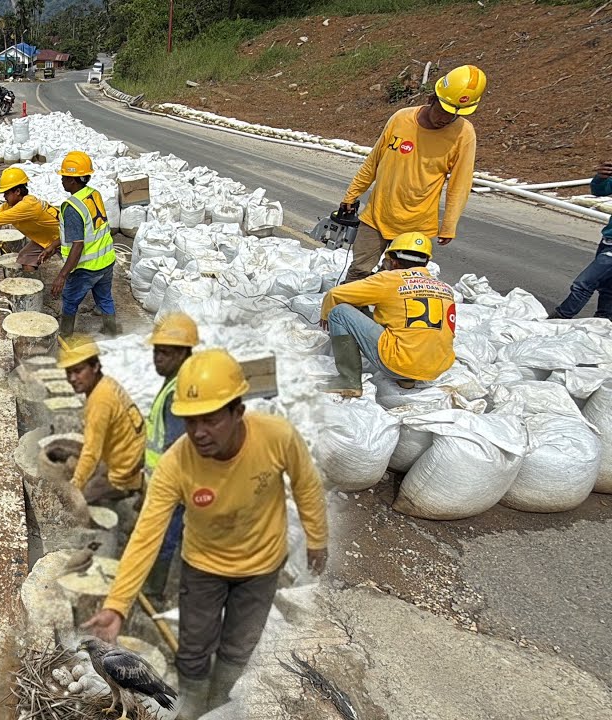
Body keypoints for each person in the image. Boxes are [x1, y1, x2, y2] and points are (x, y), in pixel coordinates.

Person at [81, 349, 329, 719]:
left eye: (210, 420)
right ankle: (193, 703)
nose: (198, 433)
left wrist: (317, 538)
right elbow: (147, 534)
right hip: (203, 567)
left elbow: (306, 484)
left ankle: (220, 700)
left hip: (261, 567)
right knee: (194, 647)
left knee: (239, 645)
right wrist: (117, 605)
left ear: (237, 411)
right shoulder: (176, 463)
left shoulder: (277, 437)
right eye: (191, 421)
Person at [339, 65, 485, 283]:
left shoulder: (464, 133)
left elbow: (460, 183)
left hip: (416, 226)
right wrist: (351, 195)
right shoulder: (401, 119)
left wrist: (449, 224)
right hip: (377, 216)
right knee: (359, 272)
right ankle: (348, 305)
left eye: (455, 114)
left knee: (398, 281)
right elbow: (373, 162)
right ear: (431, 99)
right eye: (443, 110)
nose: (446, 119)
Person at [319, 232, 456, 397]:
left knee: (339, 312)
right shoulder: (444, 288)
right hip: (436, 367)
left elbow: (335, 294)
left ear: (393, 261)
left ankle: (348, 381)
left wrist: (325, 315)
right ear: (426, 262)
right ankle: (407, 379)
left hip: (399, 362)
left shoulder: (389, 279)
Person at [142, 313, 197, 601]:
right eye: (156, 352)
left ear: (183, 353)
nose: (157, 359)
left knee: (164, 533)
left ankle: (155, 589)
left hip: (172, 482)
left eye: (164, 353)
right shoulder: (177, 381)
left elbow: (177, 445)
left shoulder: (179, 394)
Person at [57, 334, 145, 506]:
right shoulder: (106, 383)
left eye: (78, 371)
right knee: (73, 458)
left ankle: (128, 488)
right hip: (132, 452)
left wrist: (75, 486)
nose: (72, 378)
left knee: (76, 501)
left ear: (95, 366)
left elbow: (91, 452)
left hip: (123, 467)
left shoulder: (100, 401)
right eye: (69, 372)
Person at [50, 150, 118, 336]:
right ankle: (111, 333)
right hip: (106, 261)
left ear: (73, 180)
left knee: (70, 300)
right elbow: (88, 231)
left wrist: (62, 275)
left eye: (64, 177)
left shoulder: (72, 207)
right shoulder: (93, 194)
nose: (61, 180)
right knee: (104, 298)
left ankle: (65, 335)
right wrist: (53, 245)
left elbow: (78, 244)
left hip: (86, 268)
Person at [551, 161, 612, 319]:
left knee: (584, 283)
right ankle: (603, 321)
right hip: (607, 241)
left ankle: (560, 318)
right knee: (607, 287)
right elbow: (600, 191)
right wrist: (601, 178)